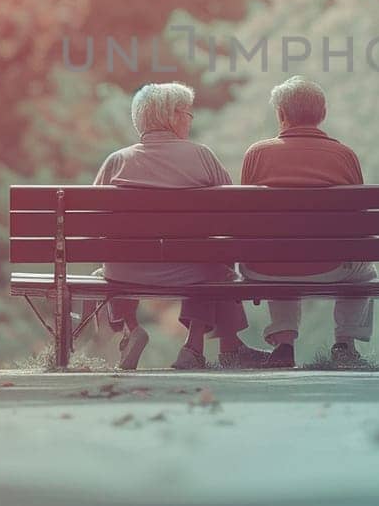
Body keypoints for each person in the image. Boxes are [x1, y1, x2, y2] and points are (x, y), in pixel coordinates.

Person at [93, 82, 272, 371]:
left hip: (125, 270)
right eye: (188, 113)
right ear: (173, 116)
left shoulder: (117, 161)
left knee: (111, 255)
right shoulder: (201, 156)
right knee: (213, 256)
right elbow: (234, 211)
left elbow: (94, 217)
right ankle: (195, 345)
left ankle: (131, 328)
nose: (190, 120)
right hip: (188, 270)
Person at [238, 76, 376, 368]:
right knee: (365, 267)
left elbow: (246, 220)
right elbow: (359, 224)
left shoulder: (257, 154)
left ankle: (285, 343)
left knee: (276, 250)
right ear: (322, 114)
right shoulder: (345, 156)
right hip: (331, 268)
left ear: (281, 115)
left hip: (264, 268)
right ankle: (345, 343)